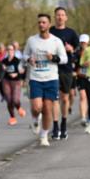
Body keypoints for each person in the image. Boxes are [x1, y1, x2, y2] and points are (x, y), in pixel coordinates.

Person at [23, 14, 67, 147]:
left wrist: (53, 58)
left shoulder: (56, 41)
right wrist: (29, 59)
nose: (41, 24)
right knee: (37, 107)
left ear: (49, 24)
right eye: (39, 22)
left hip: (51, 79)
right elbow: (24, 54)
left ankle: (44, 135)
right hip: (36, 78)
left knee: (47, 109)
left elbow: (64, 58)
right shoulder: (32, 40)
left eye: (44, 22)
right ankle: (35, 119)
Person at [49, 5, 80, 141]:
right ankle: (55, 126)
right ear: (54, 17)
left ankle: (63, 124)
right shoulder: (50, 32)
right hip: (52, 69)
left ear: (66, 17)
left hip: (66, 69)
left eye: (62, 15)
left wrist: (71, 48)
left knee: (65, 98)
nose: (60, 17)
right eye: (58, 15)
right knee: (54, 99)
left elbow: (79, 50)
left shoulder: (72, 33)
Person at [75, 33, 90, 125]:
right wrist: (77, 71)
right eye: (81, 42)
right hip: (81, 78)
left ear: (88, 42)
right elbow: (74, 67)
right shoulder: (76, 53)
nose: (83, 44)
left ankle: (89, 116)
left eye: (84, 42)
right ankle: (83, 118)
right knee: (83, 96)